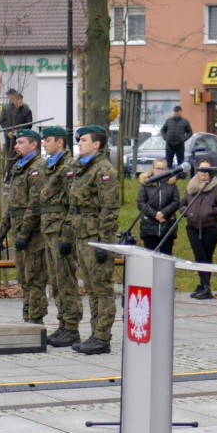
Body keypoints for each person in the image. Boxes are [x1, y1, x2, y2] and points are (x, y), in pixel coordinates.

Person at [63, 124, 121, 355]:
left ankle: (102, 336)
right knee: (90, 287)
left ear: (96, 144)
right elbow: (73, 206)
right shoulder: (80, 168)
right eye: (79, 140)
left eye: (84, 140)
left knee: (102, 288)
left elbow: (109, 210)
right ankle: (95, 333)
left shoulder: (104, 171)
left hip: (96, 236)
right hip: (81, 234)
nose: (79, 143)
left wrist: (104, 243)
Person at [0, 129, 48, 324]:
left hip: (33, 234)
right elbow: (13, 204)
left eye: (20, 142)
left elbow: (35, 204)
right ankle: (27, 317)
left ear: (33, 145)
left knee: (34, 278)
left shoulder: (38, 167)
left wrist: (24, 233)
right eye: (16, 142)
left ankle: (35, 320)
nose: (15, 146)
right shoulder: (20, 166)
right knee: (23, 278)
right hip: (19, 230)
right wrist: (2, 231)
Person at [39, 126, 83, 348]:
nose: (44, 143)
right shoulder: (51, 165)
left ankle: (72, 326)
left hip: (60, 230)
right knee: (55, 280)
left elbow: (71, 203)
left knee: (66, 279)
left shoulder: (67, 167)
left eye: (48, 140)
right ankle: (63, 324)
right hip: (49, 229)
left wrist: (67, 234)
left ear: (60, 142)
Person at [180, 159, 217, 300]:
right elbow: (182, 204)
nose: (204, 172)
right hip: (192, 227)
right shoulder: (191, 187)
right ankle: (204, 285)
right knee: (199, 256)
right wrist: (186, 211)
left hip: (210, 228)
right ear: (198, 171)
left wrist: (211, 212)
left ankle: (204, 286)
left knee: (206, 257)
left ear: (210, 172)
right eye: (201, 169)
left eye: (207, 170)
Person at [137, 158, 181, 255]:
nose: (160, 171)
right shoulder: (146, 184)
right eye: (158, 168)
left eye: (163, 168)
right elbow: (141, 203)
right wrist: (155, 215)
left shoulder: (172, 184)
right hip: (149, 228)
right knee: (150, 257)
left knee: (166, 257)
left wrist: (163, 213)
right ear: (152, 169)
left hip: (167, 226)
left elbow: (176, 202)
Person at [0, 90, 33, 174]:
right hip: (10, 137)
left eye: (21, 99)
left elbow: (29, 124)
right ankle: (10, 174)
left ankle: (20, 172)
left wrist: (17, 131)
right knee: (10, 156)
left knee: (21, 155)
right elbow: (3, 121)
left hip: (21, 137)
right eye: (17, 100)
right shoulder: (7, 109)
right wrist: (8, 131)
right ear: (14, 100)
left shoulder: (26, 110)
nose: (19, 101)